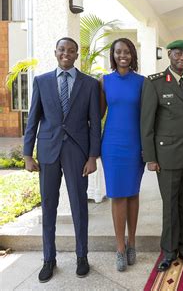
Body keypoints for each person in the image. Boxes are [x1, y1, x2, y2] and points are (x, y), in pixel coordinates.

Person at [23, 37, 101, 282]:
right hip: (48, 151)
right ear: (55, 52)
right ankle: (49, 258)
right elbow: (33, 119)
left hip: (78, 153)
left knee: (79, 205)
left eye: (71, 51)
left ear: (76, 55)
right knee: (48, 207)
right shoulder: (42, 81)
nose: (66, 54)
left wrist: (92, 156)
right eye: (62, 50)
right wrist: (27, 154)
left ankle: (82, 256)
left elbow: (94, 124)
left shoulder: (89, 84)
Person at [141, 40, 183, 272]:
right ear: (169, 54)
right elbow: (147, 123)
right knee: (170, 206)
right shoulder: (154, 83)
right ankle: (168, 251)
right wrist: (150, 157)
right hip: (166, 156)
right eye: (178, 54)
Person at [100, 38, 145, 271]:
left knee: (133, 194)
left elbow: (146, 118)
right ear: (113, 55)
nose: (122, 55)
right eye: (118, 52)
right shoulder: (105, 82)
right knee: (117, 195)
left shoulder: (142, 82)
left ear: (132, 55)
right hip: (112, 146)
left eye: (126, 52)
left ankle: (132, 243)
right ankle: (119, 248)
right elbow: (96, 115)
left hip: (135, 145)